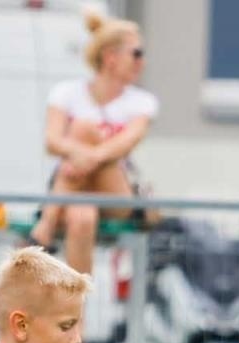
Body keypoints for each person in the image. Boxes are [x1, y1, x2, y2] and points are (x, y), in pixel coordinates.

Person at [30, 12, 156, 276]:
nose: (142, 61)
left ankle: (45, 225)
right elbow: (51, 141)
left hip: (113, 191)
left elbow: (125, 143)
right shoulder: (66, 92)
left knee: (82, 129)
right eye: (136, 53)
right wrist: (83, 153)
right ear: (110, 57)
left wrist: (86, 158)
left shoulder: (142, 102)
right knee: (82, 217)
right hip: (73, 193)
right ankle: (78, 303)